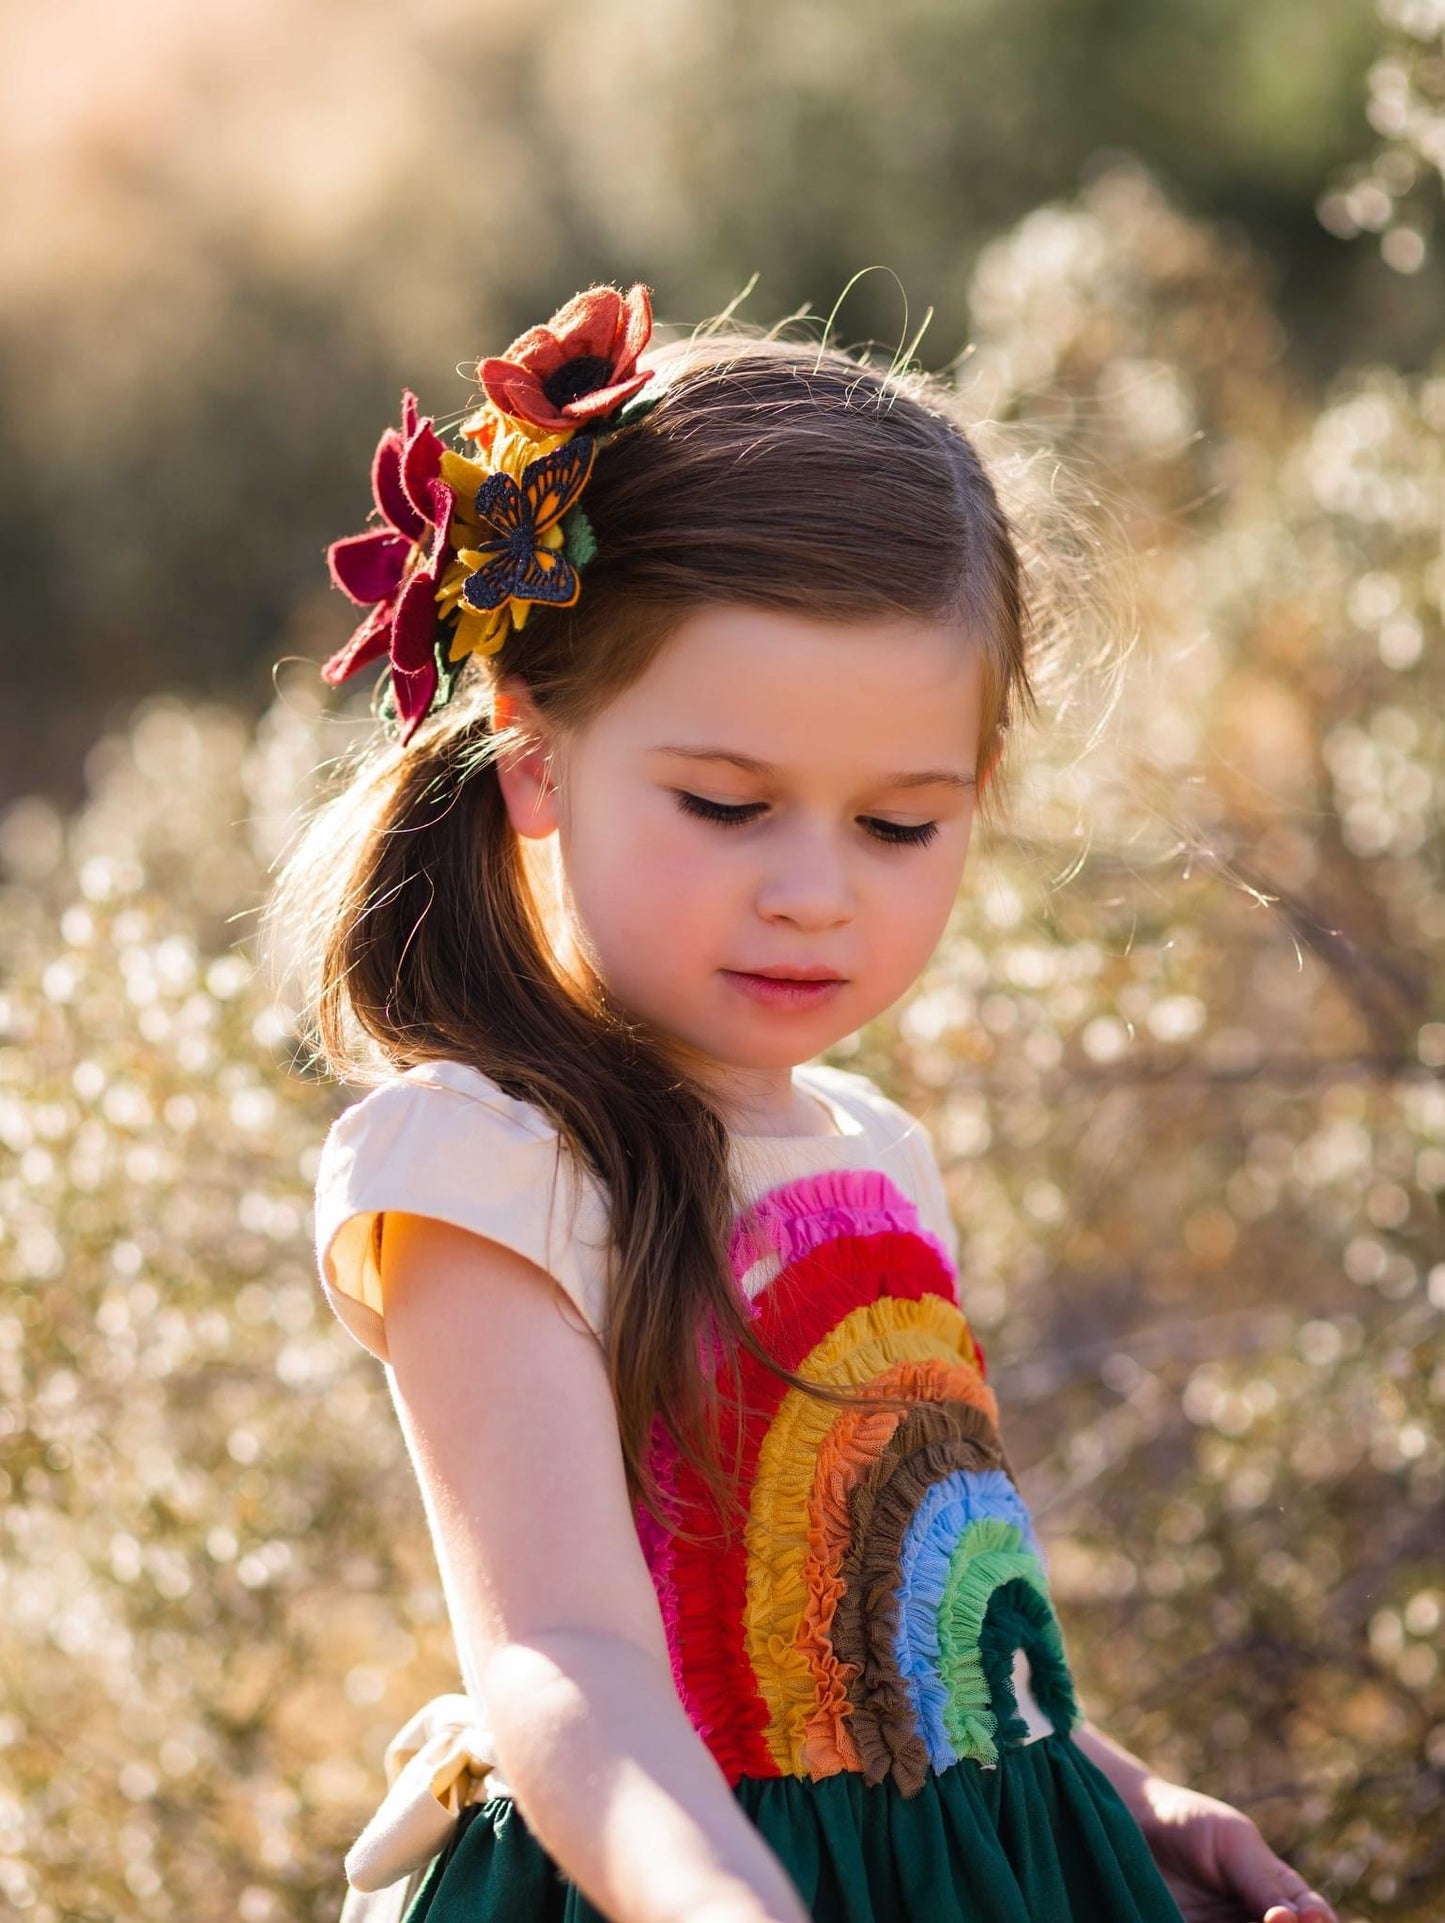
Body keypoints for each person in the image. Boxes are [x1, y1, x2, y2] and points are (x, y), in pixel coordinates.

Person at [267, 282, 1340, 1923]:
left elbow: (929, 1637)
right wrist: (717, 1901)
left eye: (899, 826)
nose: (814, 895)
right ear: (534, 751)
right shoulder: (483, 1167)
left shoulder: (874, 1151)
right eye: (725, 804)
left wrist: (1129, 1800)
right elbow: (562, 1654)